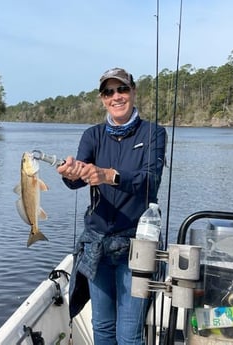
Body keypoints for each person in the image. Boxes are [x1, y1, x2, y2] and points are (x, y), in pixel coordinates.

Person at [56, 67, 167, 345]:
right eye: (109, 91)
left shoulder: (154, 133)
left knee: (129, 334)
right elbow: (78, 180)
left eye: (122, 89)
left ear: (133, 91)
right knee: (102, 327)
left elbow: (149, 181)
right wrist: (71, 174)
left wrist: (109, 175)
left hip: (136, 245)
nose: (116, 96)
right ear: (102, 98)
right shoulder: (92, 136)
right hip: (97, 245)